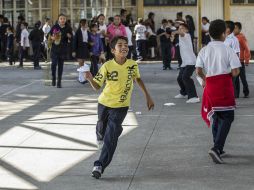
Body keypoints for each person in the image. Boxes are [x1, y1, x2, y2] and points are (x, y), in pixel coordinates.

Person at [85, 36, 154, 179]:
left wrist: (147, 96)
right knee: (102, 126)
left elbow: (138, 79)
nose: (124, 47)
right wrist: (90, 78)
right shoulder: (107, 66)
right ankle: (103, 133)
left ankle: (99, 165)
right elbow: (97, 87)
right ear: (113, 50)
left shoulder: (132, 64)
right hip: (104, 103)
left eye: (126, 45)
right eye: (120, 45)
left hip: (121, 106)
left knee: (111, 138)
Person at [196, 19, 241, 164]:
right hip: (223, 86)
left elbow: (198, 70)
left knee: (216, 116)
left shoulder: (204, 49)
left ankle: (218, 148)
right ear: (224, 34)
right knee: (228, 117)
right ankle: (216, 148)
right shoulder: (228, 49)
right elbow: (235, 72)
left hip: (209, 86)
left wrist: (205, 79)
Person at [173, 23, 199, 103]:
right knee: (179, 78)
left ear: (187, 30)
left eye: (182, 28)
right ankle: (184, 92)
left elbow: (181, 33)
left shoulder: (187, 35)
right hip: (185, 63)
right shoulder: (180, 38)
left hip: (191, 62)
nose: (180, 30)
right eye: (179, 28)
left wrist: (176, 31)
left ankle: (194, 97)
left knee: (186, 77)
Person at [48, 13, 73, 88]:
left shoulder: (68, 28)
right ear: (58, 20)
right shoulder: (55, 27)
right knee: (53, 64)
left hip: (63, 49)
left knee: (60, 66)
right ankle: (53, 78)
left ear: (65, 20)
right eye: (61, 18)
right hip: (54, 49)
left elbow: (71, 38)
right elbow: (49, 36)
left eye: (64, 19)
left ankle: (59, 81)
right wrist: (53, 38)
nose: (62, 20)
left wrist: (70, 36)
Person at [224, 20, 241, 98]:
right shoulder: (223, 37)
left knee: (231, 83)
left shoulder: (234, 39)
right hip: (224, 64)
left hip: (231, 65)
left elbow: (236, 53)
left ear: (228, 29)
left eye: (225, 26)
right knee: (226, 83)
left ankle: (232, 100)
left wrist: (234, 67)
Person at [234, 22, 250, 98]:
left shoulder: (241, 37)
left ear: (240, 29)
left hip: (240, 61)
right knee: (235, 78)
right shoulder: (232, 38)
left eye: (236, 28)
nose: (234, 29)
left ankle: (246, 91)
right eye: (233, 28)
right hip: (234, 62)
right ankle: (236, 93)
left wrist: (246, 60)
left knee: (242, 78)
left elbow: (246, 49)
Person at [72, 19, 90, 84]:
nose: (87, 24)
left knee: (83, 63)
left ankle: (83, 78)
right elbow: (74, 41)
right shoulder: (78, 31)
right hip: (79, 48)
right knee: (80, 63)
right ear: (83, 24)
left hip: (85, 48)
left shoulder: (87, 31)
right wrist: (74, 51)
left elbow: (89, 40)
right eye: (86, 23)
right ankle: (80, 79)